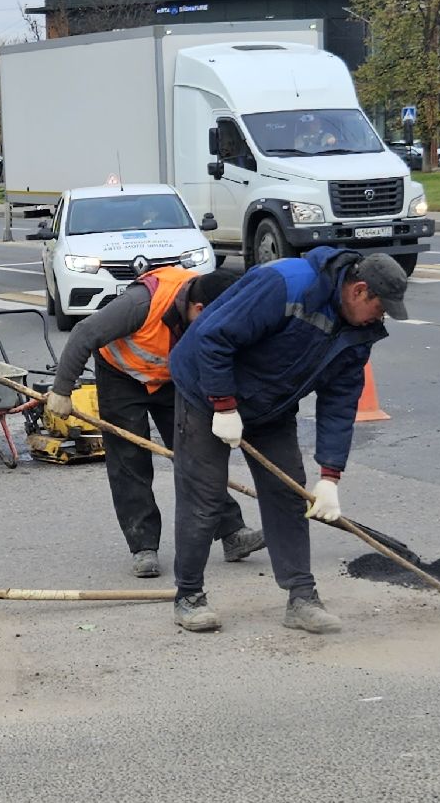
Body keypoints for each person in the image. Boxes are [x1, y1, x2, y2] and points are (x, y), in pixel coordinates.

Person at [165, 249, 408, 635]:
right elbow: (213, 337)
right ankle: (189, 596)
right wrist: (224, 406)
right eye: (381, 306)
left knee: (286, 495)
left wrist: (330, 476)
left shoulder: (359, 333)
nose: (382, 317)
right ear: (359, 290)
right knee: (205, 498)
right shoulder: (287, 285)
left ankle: (302, 597)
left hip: (271, 406)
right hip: (205, 390)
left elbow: (340, 403)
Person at [47, 266, 261, 579]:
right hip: (121, 376)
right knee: (129, 460)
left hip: (172, 379)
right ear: (198, 309)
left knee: (199, 455)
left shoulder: (208, 306)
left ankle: (232, 532)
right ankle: (143, 546)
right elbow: (85, 333)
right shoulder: (142, 302)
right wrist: (62, 390)